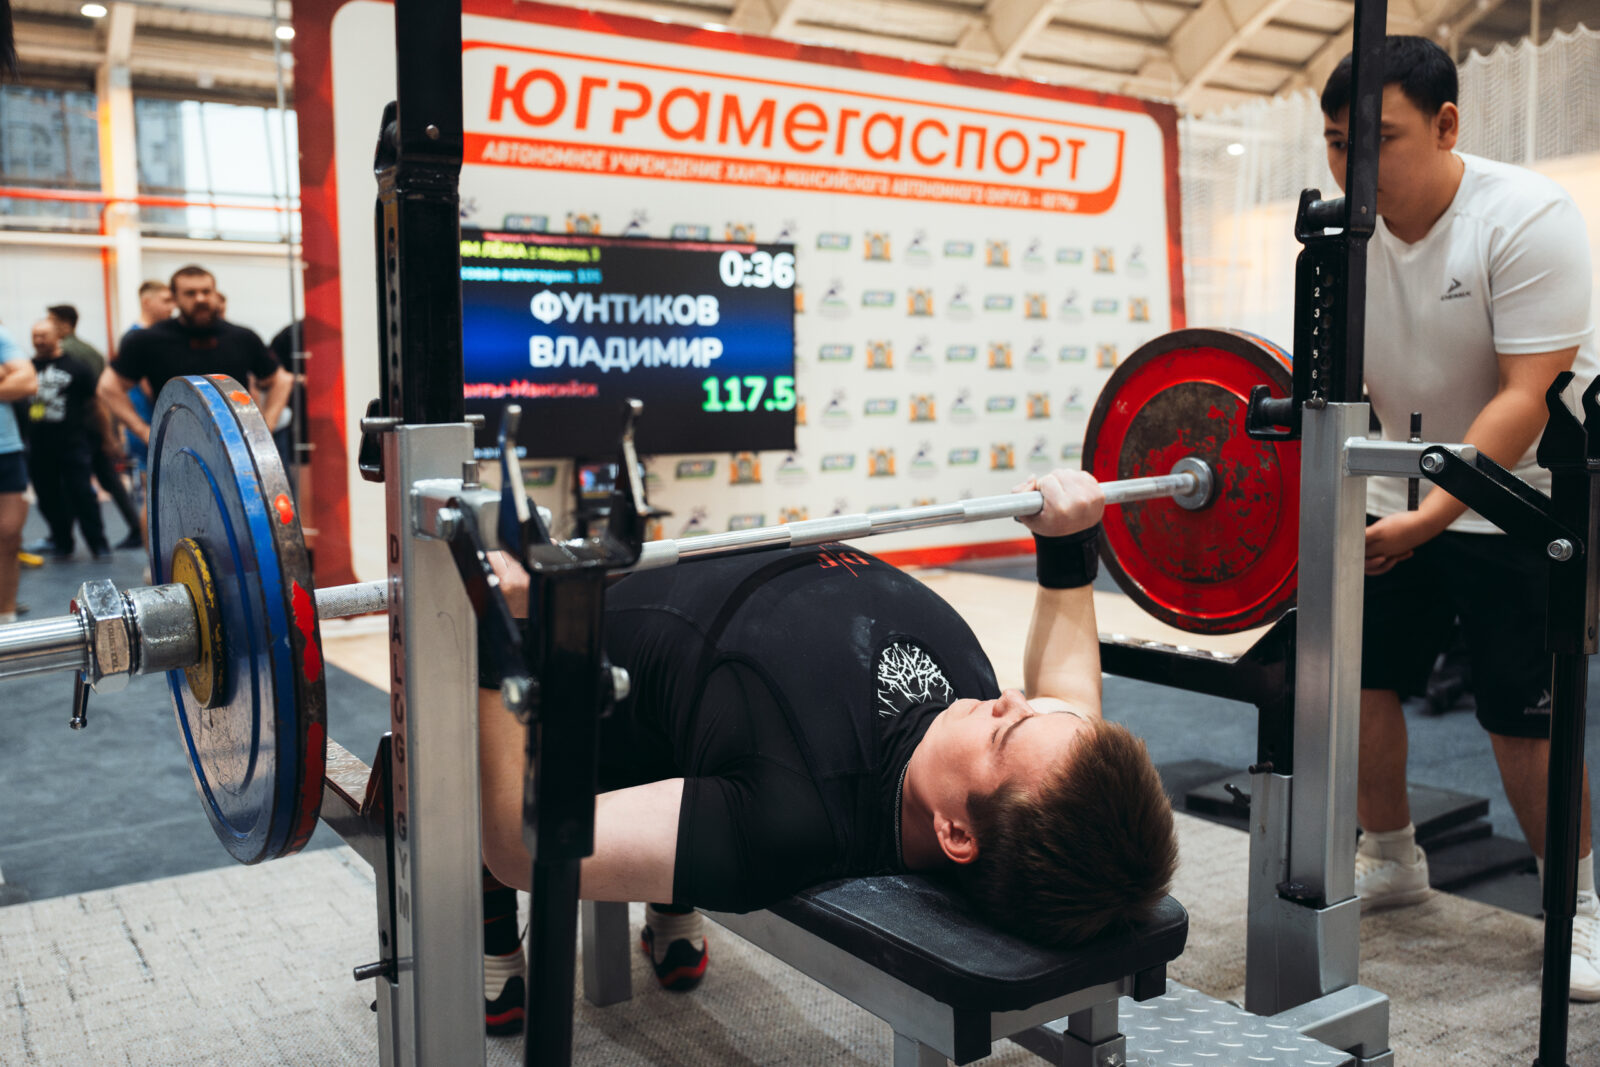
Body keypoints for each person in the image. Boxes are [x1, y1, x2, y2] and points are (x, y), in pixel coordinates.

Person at [475, 469, 1178, 1018]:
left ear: (957, 833)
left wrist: (506, 634)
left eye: (1008, 728)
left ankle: (502, 924)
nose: (1012, 698)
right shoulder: (1020, 756)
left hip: (594, 689)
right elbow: (1070, 701)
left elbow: (517, 847)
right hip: (690, 597)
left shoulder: (789, 814)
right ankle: (671, 890)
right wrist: (1068, 545)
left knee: (467, 740)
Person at [1321, 36, 1600, 999]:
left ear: (1445, 126)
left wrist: (1431, 517)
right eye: (1336, 143)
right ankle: (1392, 857)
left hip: (1522, 495)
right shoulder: (1340, 237)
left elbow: (1524, 395)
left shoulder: (1527, 217)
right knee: (1360, 681)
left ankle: (1577, 904)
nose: (1354, 166)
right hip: (1395, 483)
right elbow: (1337, 382)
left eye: (1379, 140)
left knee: (1519, 715)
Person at [97, 267, 289, 448]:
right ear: (174, 299)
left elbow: (281, 380)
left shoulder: (242, 338)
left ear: (215, 294)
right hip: (176, 446)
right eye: (190, 293)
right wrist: (143, 431)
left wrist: (265, 429)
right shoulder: (149, 340)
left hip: (235, 447)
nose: (200, 298)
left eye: (206, 291)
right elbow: (108, 387)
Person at [47, 304, 140, 549]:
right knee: (107, 479)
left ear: (65, 324)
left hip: (81, 426)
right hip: (98, 424)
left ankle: (65, 537)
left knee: (75, 482)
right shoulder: (92, 351)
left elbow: (90, 396)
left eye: (51, 321)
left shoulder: (65, 353)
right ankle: (135, 528)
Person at [24, 319, 109, 560]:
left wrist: (107, 438)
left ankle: (98, 544)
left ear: (57, 337)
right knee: (47, 497)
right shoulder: (27, 368)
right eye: (35, 335)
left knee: (82, 494)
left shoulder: (76, 367)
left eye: (44, 335)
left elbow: (96, 403)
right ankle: (62, 542)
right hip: (39, 446)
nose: (39, 340)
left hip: (72, 443)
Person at [0, 324, 38, 622]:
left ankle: (6, 615)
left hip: (7, 449)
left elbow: (27, 382)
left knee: (9, 536)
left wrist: (11, 375)